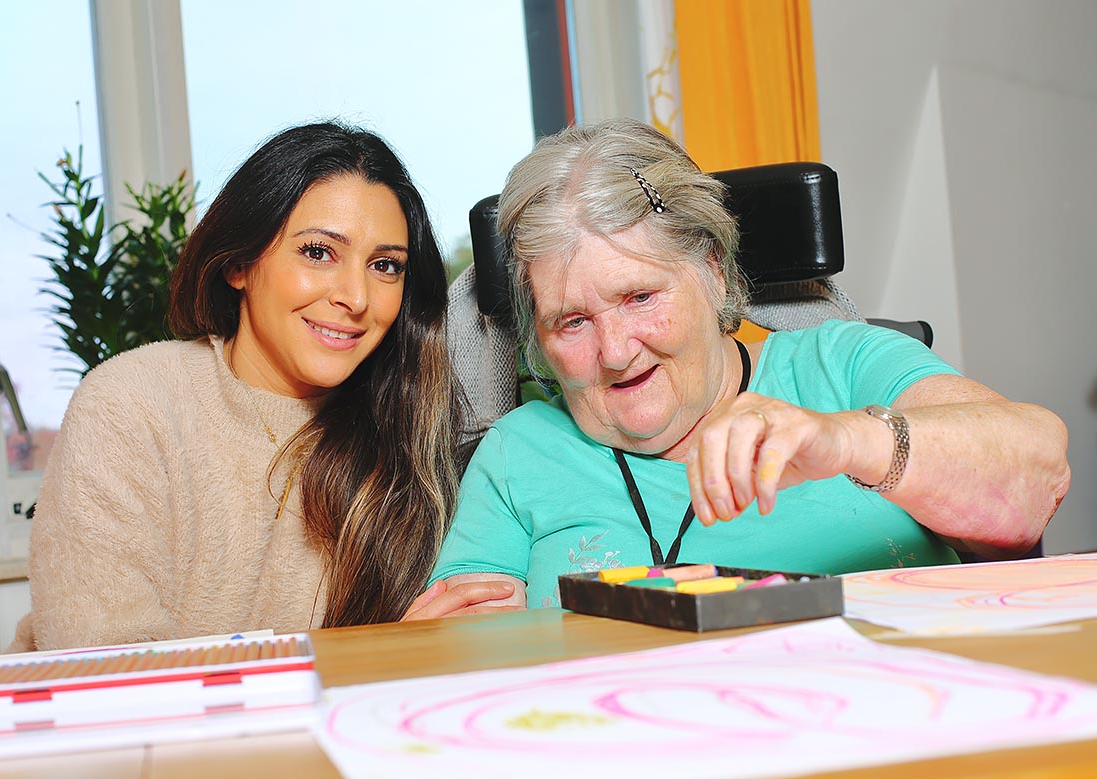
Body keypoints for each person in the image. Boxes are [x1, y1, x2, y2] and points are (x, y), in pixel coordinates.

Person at [405, 118, 1070, 618]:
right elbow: (470, 648)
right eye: (571, 322)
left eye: (639, 297)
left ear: (714, 273)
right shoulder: (518, 454)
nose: (613, 351)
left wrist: (845, 440)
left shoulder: (843, 363)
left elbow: (1038, 480)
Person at [12, 122, 462, 650]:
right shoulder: (131, 404)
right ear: (238, 264)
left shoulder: (409, 426)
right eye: (318, 252)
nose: (357, 297)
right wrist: (373, 657)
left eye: (385, 266)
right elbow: (112, 671)